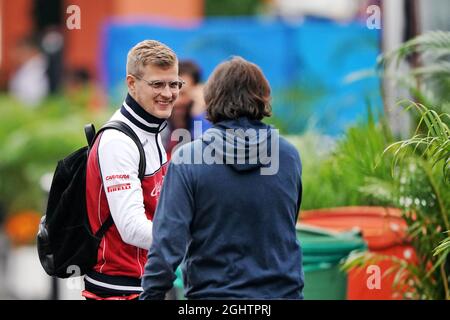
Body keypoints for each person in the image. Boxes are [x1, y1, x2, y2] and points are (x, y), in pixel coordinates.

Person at [140, 56, 304, 299]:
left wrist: (150, 295)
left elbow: (167, 244)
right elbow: (287, 222)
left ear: (209, 100)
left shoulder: (188, 160)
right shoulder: (288, 156)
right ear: (263, 97)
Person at [84, 40, 183, 300]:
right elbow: (131, 228)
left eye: (174, 84)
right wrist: (195, 238)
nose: (168, 93)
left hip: (145, 285)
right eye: (157, 84)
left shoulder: (153, 129)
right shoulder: (119, 141)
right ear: (131, 83)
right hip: (118, 290)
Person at [162, 60, 212, 157]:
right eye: (172, 94)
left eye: (183, 93)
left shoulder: (210, 124)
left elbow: (204, 158)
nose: (177, 101)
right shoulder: (159, 127)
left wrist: (198, 115)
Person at [8, 35, 49, 107]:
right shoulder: (27, 67)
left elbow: (33, 97)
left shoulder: (35, 69)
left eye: (19, 50)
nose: (14, 54)